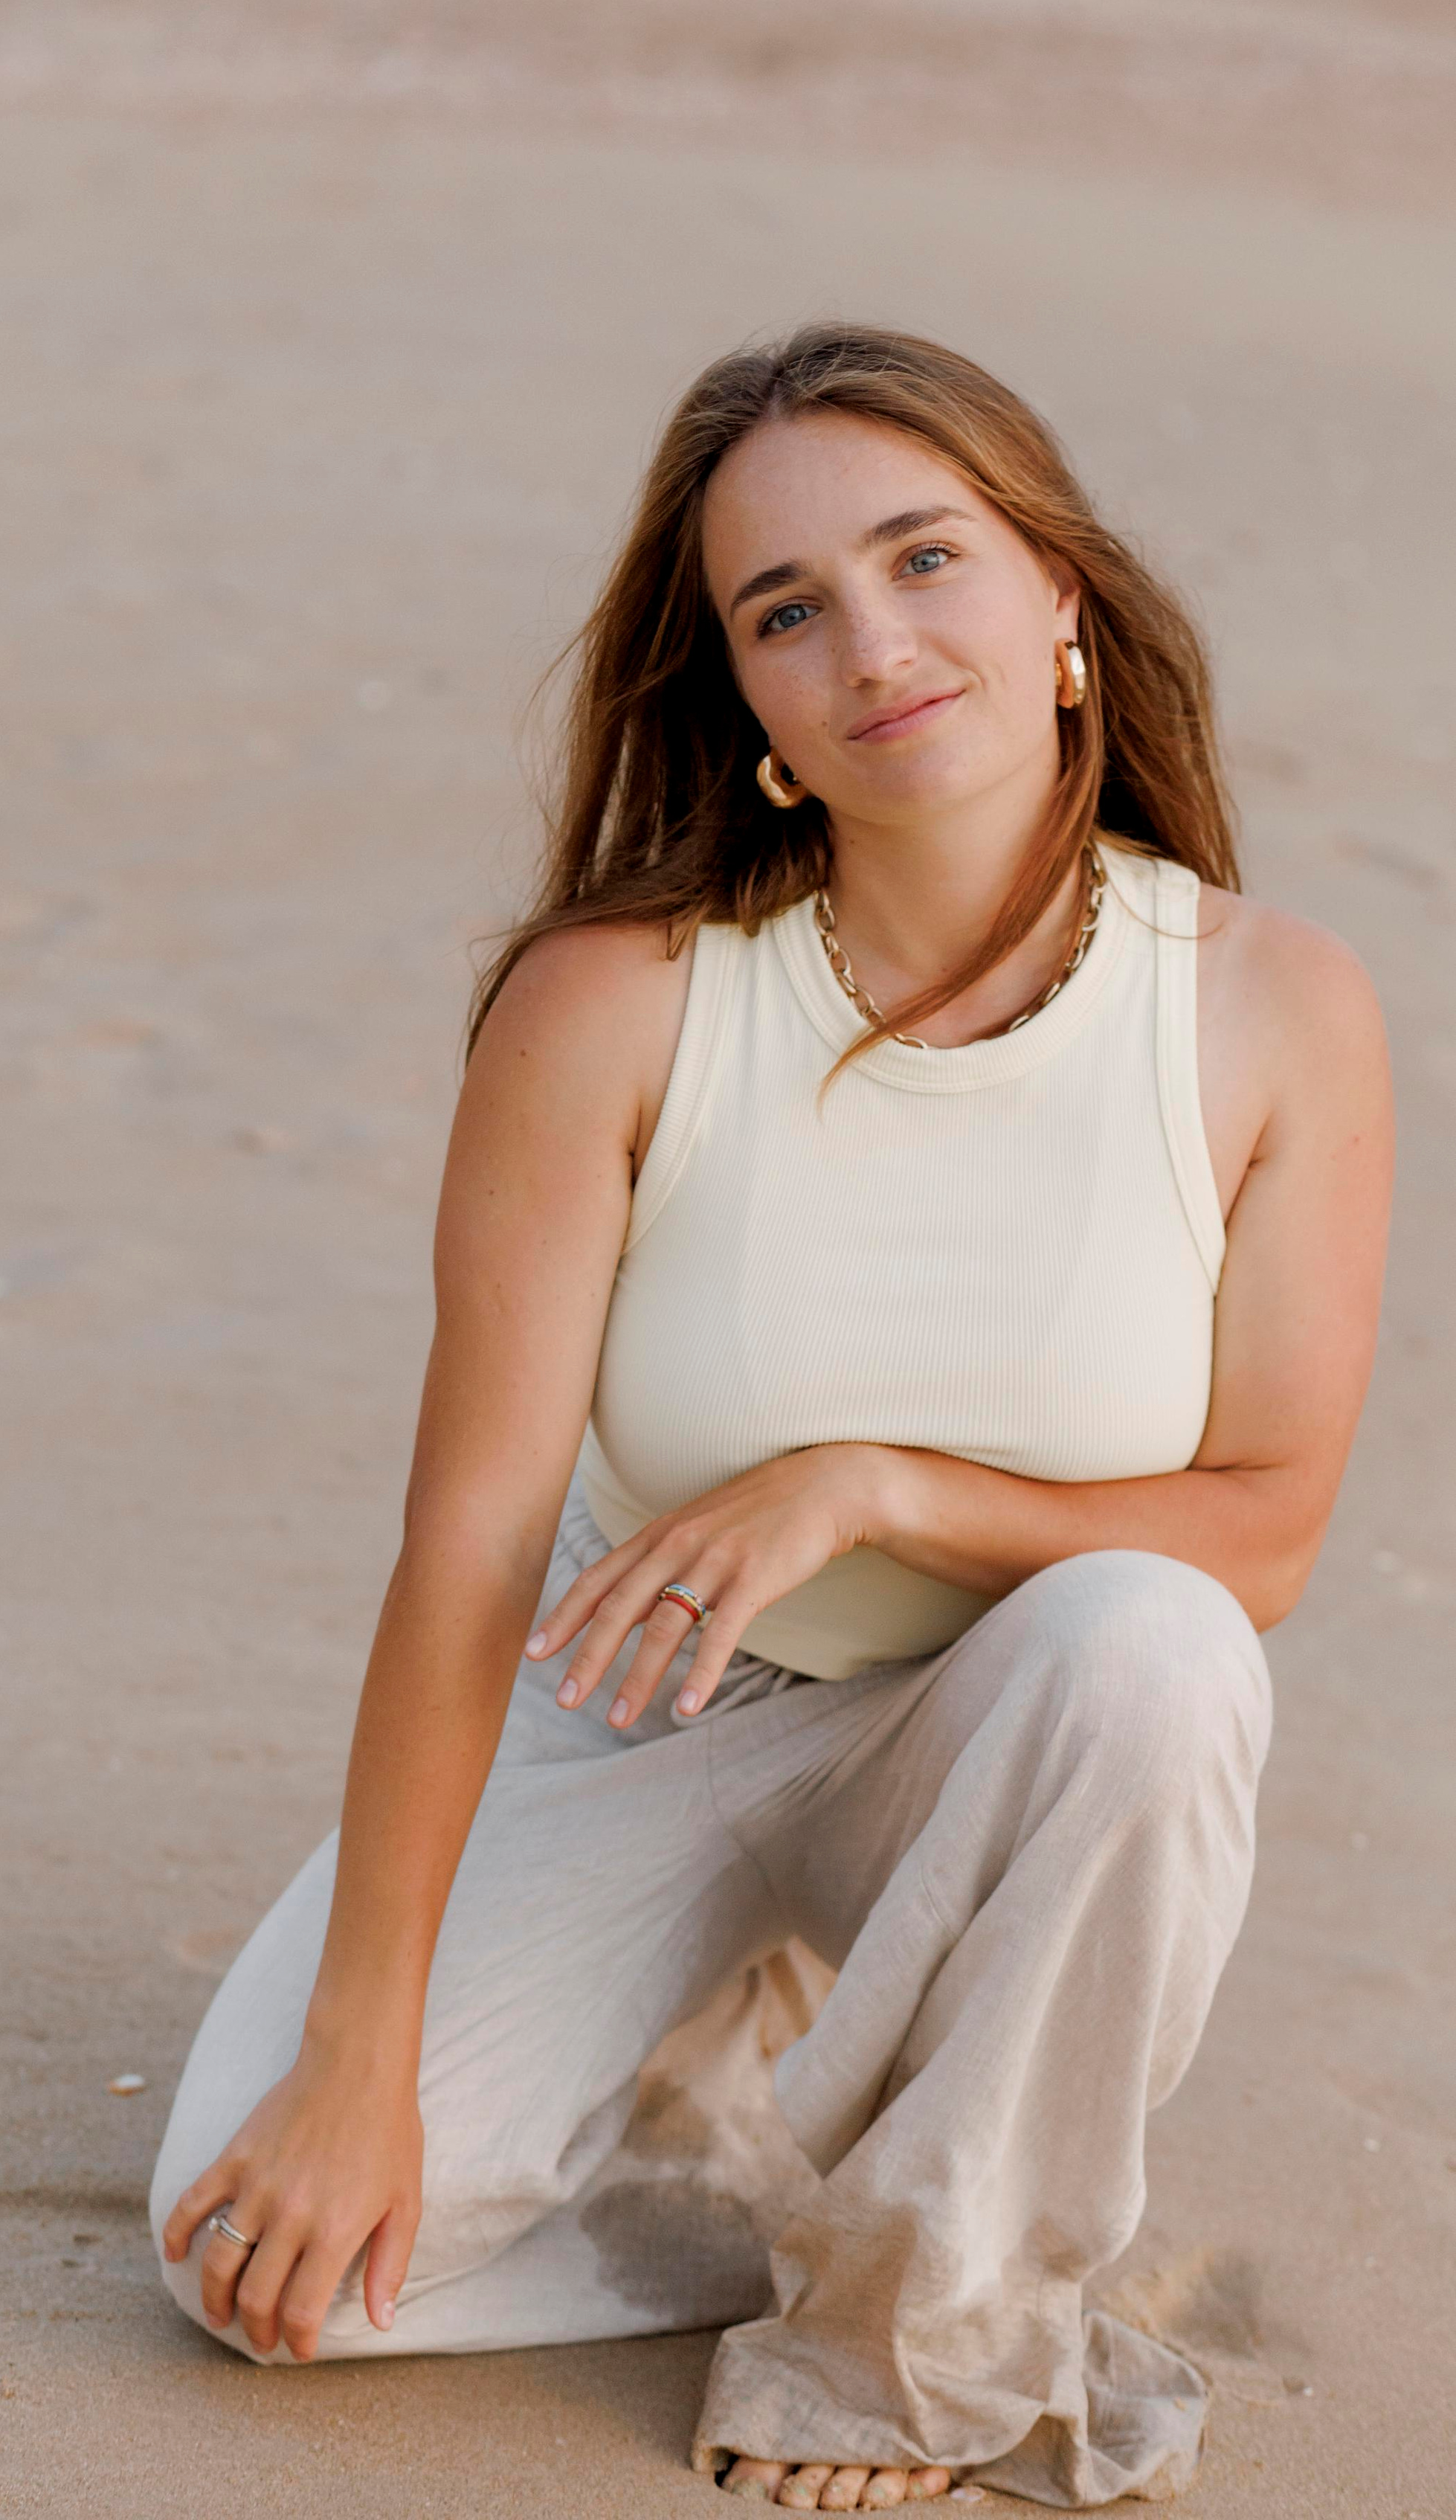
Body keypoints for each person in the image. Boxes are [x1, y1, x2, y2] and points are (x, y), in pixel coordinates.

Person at [146, 325, 1391, 2507]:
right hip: (638, 1717)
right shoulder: (615, 1004)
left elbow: (1266, 1530)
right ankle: (829, 2127)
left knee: (1154, 1643)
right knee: (273, 2275)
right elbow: (465, 1550)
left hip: (999, 1754)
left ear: (1063, 605)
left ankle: (915, 2328)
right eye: (788, 611)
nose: (877, 644)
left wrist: (873, 1484)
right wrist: (360, 2055)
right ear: (752, 712)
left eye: (930, 560)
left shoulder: (1266, 1007)